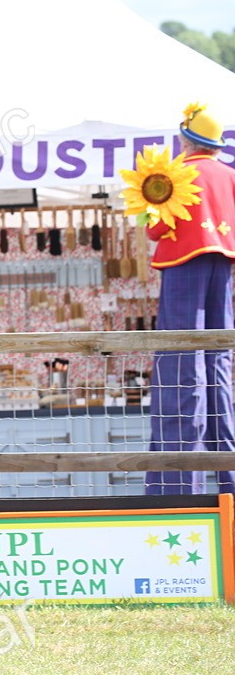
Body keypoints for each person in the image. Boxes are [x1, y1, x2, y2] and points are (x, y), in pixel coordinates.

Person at [145, 103, 235, 495]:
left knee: (181, 363)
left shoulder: (176, 173)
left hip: (183, 265)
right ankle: (229, 484)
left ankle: (179, 490)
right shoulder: (230, 175)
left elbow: (155, 229)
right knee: (218, 362)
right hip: (223, 268)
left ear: (186, 140)